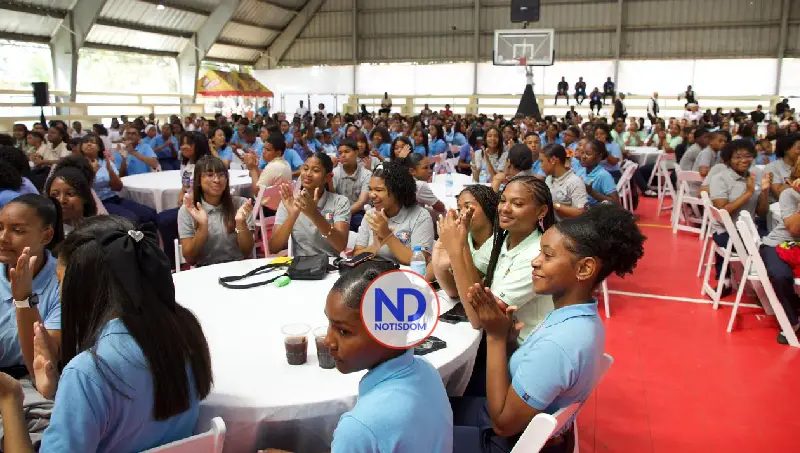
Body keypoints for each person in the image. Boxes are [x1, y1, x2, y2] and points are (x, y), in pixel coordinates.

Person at [0, 215, 213, 452]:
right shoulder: (185, 333)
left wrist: (10, 398)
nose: (60, 293)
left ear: (83, 286)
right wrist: (59, 391)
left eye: (60, 282)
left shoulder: (90, 370)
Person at [451, 204, 645, 453]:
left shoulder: (558, 344)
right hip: (517, 418)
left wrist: (496, 338)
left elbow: (502, 425)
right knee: (433, 406)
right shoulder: (580, 316)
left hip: (505, 440)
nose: (535, 262)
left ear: (584, 268)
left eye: (548, 255)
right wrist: (509, 341)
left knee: (414, 429)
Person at [260, 262, 453, 453]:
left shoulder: (360, 427)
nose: (328, 341)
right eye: (330, 324)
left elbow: (364, 437)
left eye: (344, 331)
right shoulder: (426, 369)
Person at [708, 140, 771, 293]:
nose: (744, 160)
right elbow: (722, 212)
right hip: (726, 232)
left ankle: (765, 286)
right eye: (738, 157)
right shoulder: (720, 178)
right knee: (767, 249)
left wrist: (764, 191)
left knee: (777, 243)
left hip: (750, 229)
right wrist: (748, 193)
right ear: (728, 160)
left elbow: (762, 212)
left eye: (748, 156)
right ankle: (760, 288)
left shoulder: (756, 175)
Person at [270, 152, 351, 257]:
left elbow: (341, 246)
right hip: (300, 263)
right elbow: (274, 248)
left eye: (315, 170)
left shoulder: (340, 202)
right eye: (305, 168)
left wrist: (314, 214)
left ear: (327, 177)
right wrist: (293, 214)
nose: (308, 174)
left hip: (330, 263)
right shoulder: (290, 201)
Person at [178, 156, 254, 266]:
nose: (217, 180)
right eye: (210, 175)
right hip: (205, 269)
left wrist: (241, 223)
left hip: (237, 266)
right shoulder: (188, 210)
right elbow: (190, 259)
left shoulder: (241, 204)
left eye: (221, 175)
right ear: (198, 180)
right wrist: (202, 227)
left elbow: (247, 252)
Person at [353, 162, 434, 265]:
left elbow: (419, 260)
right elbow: (356, 254)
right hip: (374, 272)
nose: (372, 195)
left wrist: (387, 235)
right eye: (370, 189)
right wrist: (375, 246)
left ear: (397, 191)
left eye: (379, 190)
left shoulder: (420, 216)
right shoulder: (370, 215)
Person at [431, 185, 497, 295]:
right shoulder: (468, 235)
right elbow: (452, 291)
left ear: (488, 208)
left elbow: (470, 289)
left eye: (468, 207)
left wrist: (461, 240)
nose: (462, 213)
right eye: (459, 209)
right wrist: (439, 264)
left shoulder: (495, 244)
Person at [79, 134, 157, 225]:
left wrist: (109, 169)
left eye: (93, 142)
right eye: (86, 142)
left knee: (149, 213)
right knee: (131, 218)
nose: (89, 144)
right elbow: (82, 189)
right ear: (81, 147)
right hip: (97, 203)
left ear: (99, 147)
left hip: (113, 198)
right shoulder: (77, 164)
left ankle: (149, 234)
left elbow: (118, 187)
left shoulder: (105, 161)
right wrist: (94, 172)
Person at [760, 177, 800, 344]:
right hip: (778, 244)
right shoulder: (789, 194)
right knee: (781, 275)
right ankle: (792, 319)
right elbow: (794, 229)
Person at [44, 161, 98, 236]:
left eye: (70, 194)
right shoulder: (44, 235)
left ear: (85, 197)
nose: (62, 200)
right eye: (54, 195)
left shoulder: (98, 231)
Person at [540, 144, 588, 220]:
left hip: (569, 226)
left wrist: (555, 205)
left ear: (553, 160)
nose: (541, 165)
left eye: (542, 161)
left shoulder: (575, 182)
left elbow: (581, 212)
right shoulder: (548, 178)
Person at [244, 134, 293, 209]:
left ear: (278, 153)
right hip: (280, 206)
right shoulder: (285, 163)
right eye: (264, 148)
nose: (263, 152)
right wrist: (255, 167)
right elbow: (263, 173)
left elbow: (257, 193)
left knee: (241, 199)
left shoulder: (272, 166)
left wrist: (253, 169)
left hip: (267, 209)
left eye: (268, 150)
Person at [333, 140, 372, 232]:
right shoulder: (334, 173)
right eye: (340, 153)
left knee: (360, 222)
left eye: (347, 151)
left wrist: (343, 214)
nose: (343, 155)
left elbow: (361, 201)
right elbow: (331, 197)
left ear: (356, 152)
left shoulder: (366, 174)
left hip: (358, 212)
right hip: (337, 212)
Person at [582, 139, 619, 207]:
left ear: (599, 157)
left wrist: (592, 192)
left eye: (588, 154)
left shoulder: (604, 175)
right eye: (582, 153)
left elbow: (615, 202)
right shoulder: (581, 171)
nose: (583, 156)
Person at [765, 134, 800, 201]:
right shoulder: (772, 167)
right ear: (786, 149)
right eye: (799, 148)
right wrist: (793, 176)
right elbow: (779, 195)